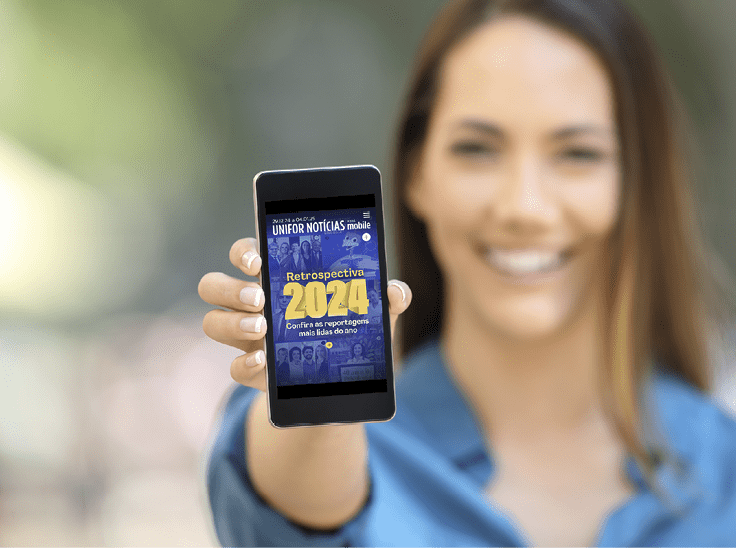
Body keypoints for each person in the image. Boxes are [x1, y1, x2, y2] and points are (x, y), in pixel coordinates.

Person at [198, 1, 736, 546]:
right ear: (416, 174)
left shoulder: (723, 466)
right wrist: (316, 376)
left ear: (635, 183)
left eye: (578, 153)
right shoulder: (342, 446)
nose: (525, 207)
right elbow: (300, 497)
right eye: (477, 149)